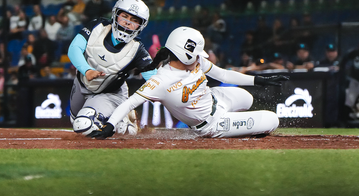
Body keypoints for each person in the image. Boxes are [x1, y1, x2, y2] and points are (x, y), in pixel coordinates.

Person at [86, 26, 289, 139]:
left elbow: (224, 76)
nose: (199, 56)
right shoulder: (161, 80)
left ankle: (236, 123)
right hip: (210, 124)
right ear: (184, 53)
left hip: (216, 100)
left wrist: (259, 80)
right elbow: (129, 103)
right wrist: (110, 125)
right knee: (272, 120)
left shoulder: (197, 60)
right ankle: (232, 128)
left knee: (248, 98)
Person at [67, 0, 156, 136]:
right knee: (75, 121)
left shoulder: (138, 50)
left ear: (141, 26)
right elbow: (74, 48)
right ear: (115, 15)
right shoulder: (97, 26)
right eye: (124, 17)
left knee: (84, 124)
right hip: (81, 83)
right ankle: (122, 116)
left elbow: (156, 81)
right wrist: (87, 70)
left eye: (134, 20)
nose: (127, 23)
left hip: (110, 94)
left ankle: (123, 120)